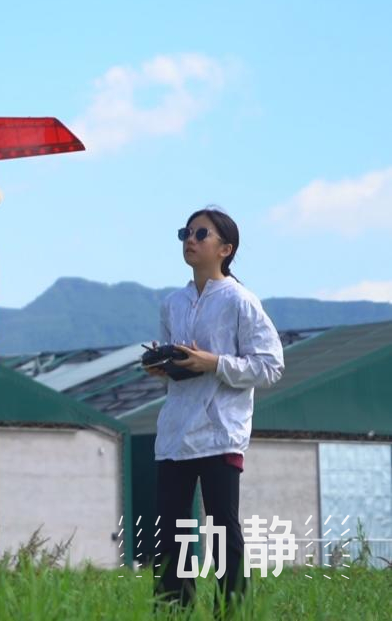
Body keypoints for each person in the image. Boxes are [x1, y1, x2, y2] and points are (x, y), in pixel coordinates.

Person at [147, 208, 284, 613]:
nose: (190, 239)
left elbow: (271, 364)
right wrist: (163, 367)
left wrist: (215, 363)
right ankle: (173, 611)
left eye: (200, 233)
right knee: (172, 533)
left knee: (222, 528)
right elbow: (179, 365)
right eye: (185, 233)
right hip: (175, 432)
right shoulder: (173, 303)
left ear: (226, 249)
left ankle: (232, 611)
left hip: (220, 430)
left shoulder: (241, 301)